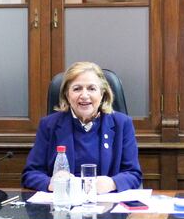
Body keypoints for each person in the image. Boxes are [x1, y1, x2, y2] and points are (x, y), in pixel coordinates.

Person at [22, 61, 142, 193]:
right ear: (67, 94)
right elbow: (31, 174)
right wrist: (51, 183)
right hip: (64, 202)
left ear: (102, 94)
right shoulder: (48, 125)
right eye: (77, 89)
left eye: (91, 88)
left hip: (106, 202)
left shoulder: (122, 124)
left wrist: (112, 183)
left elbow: (133, 174)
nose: (84, 95)